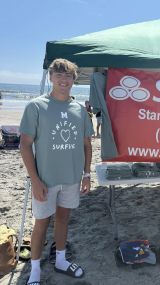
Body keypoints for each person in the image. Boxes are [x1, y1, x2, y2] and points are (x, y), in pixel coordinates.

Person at [20, 58, 94, 284]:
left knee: (63, 219)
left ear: (74, 80)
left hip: (71, 179)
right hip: (45, 179)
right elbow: (24, 144)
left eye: (68, 76)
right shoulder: (36, 106)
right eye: (59, 75)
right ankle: (35, 270)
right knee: (41, 223)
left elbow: (87, 145)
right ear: (51, 78)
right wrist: (35, 180)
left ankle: (61, 260)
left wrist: (87, 174)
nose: (64, 80)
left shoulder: (80, 110)